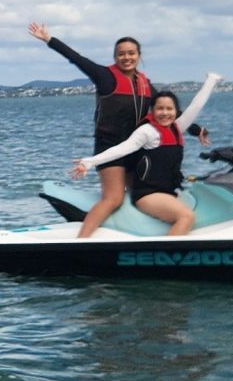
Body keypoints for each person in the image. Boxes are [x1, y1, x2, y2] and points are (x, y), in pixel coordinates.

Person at [29, 21, 160, 239]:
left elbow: (166, 111)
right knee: (114, 198)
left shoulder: (145, 83)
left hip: (135, 149)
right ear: (115, 56)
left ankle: (136, 233)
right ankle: (82, 239)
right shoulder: (105, 76)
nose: (126, 57)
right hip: (109, 147)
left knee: (143, 195)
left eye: (131, 53)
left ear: (139, 55)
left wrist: (196, 129)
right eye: (121, 54)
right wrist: (49, 40)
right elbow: (76, 58)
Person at [70, 76, 222, 237]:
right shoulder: (147, 132)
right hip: (148, 194)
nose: (165, 113)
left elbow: (196, 106)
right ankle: (167, 252)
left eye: (169, 109)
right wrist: (89, 162)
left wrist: (211, 80)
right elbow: (122, 149)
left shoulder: (177, 128)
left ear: (176, 111)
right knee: (186, 217)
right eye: (160, 108)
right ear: (152, 110)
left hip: (169, 192)